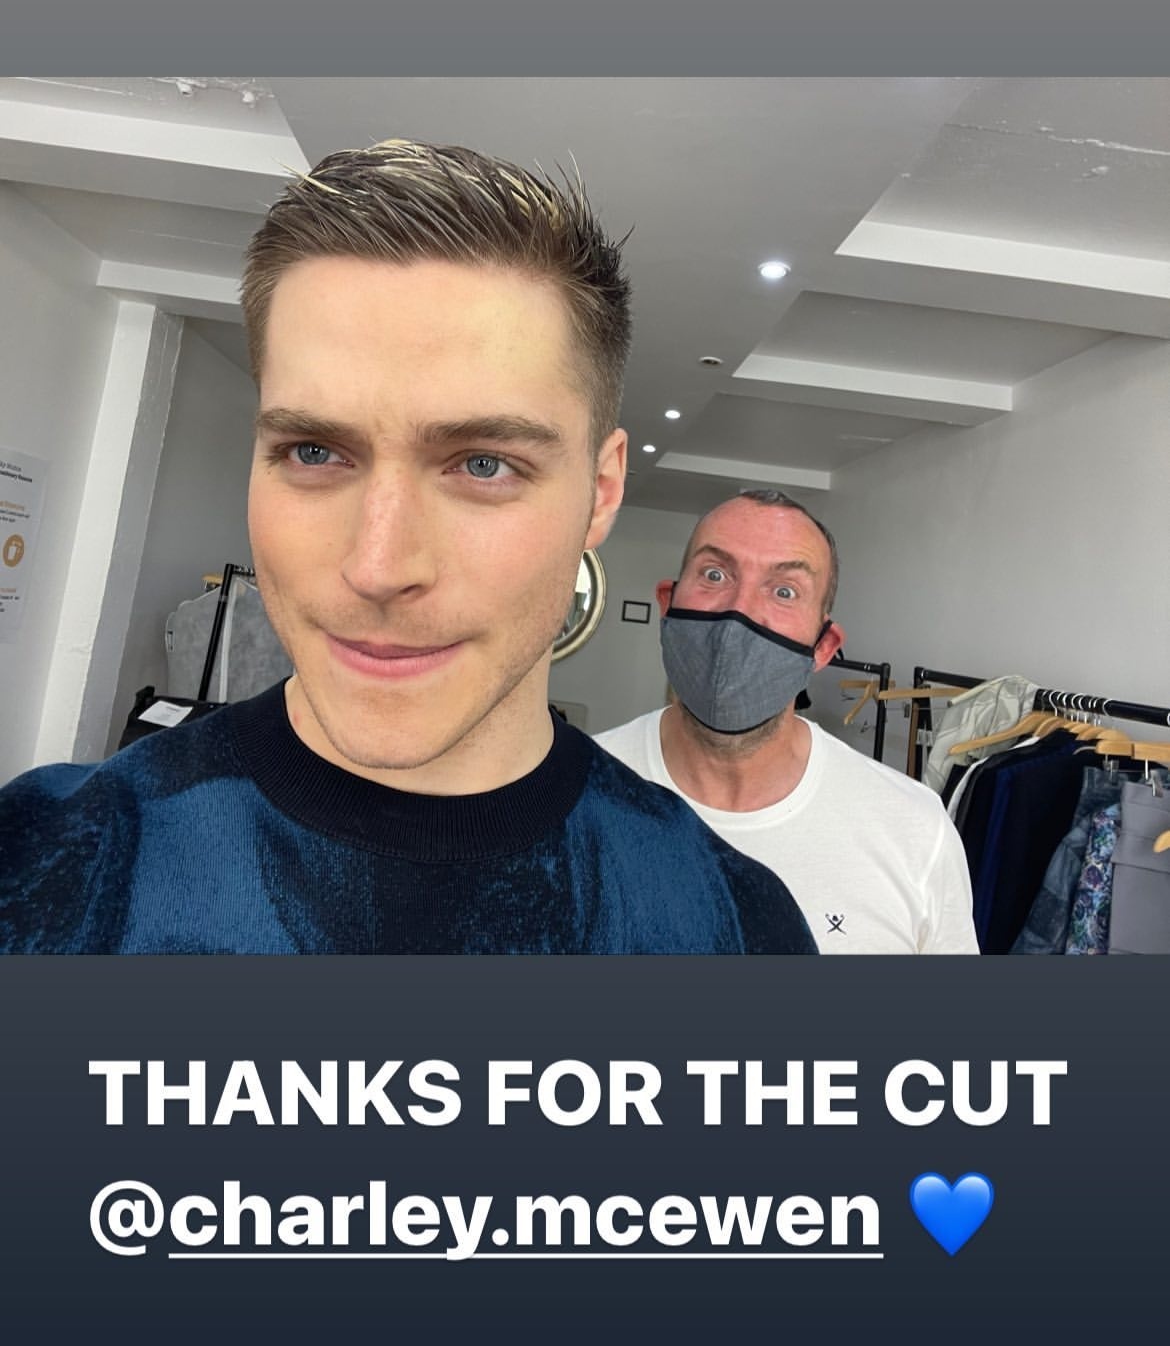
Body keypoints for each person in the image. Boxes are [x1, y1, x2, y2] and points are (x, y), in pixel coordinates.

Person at [0, 142, 815, 957]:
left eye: (484, 464)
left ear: (600, 493)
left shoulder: (736, 928)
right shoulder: (40, 864)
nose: (378, 567)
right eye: (315, 452)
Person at [597, 489, 978, 954]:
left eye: (784, 591)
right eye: (715, 574)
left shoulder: (915, 830)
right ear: (667, 604)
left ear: (823, 647)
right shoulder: (567, 792)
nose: (740, 612)